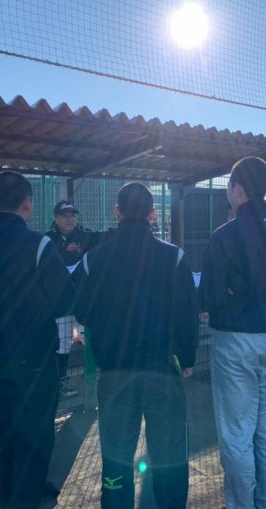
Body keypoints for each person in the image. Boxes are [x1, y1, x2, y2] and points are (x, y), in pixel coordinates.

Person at [72, 182, 198, 509]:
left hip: (114, 371)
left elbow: (81, 309)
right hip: (162, 369)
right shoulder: (174, 257)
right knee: (169, 452)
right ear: (152, 214)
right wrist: (187, 358)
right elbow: (188, 315)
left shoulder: (94, 259)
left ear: (117, 212)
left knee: (116, 454)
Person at [0, 171, 74, 509]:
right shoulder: (39, 245)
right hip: (34, 366)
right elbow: (64, 302)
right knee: (33, 443)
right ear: (27, 203)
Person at [199, 157, 266, 509]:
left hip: (235, 342)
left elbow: (210, 295)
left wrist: (231, 293)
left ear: (238, 188)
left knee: (237, 433)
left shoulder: (225, 234)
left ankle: (241, 504)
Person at [46, 200, 107, 398]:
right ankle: (60, 378)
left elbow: (106, 238)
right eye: (65, 216)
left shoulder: (84, 235)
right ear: (56, 218)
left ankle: (96, 375)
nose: (70, 219)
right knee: (63, 341)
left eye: (73, 215)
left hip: (82, 298)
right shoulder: (48, 239)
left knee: (88, 336)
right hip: (60, 301)